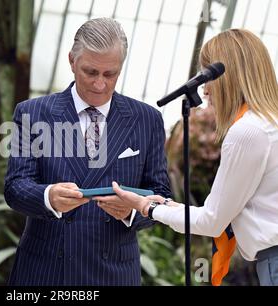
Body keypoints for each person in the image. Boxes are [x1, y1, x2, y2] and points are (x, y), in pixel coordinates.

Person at [95, 29, 278, 286]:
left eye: (208, 76)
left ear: (231, 77)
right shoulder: (269, 123)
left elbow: (212, 222)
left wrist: (146, 207)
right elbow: (217, 214)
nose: (204, 91)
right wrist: (167, 205)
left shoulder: (247, 131)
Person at [4, 17, 171, 286]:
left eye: (110, 74)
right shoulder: (33, 113)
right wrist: (49, 197)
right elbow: (15, 187)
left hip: (114, 273)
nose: (99, 85)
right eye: (90, 72)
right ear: (72, 61)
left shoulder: (146, 119)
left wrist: (133, 210)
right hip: (46, 272)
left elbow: (161, 193)